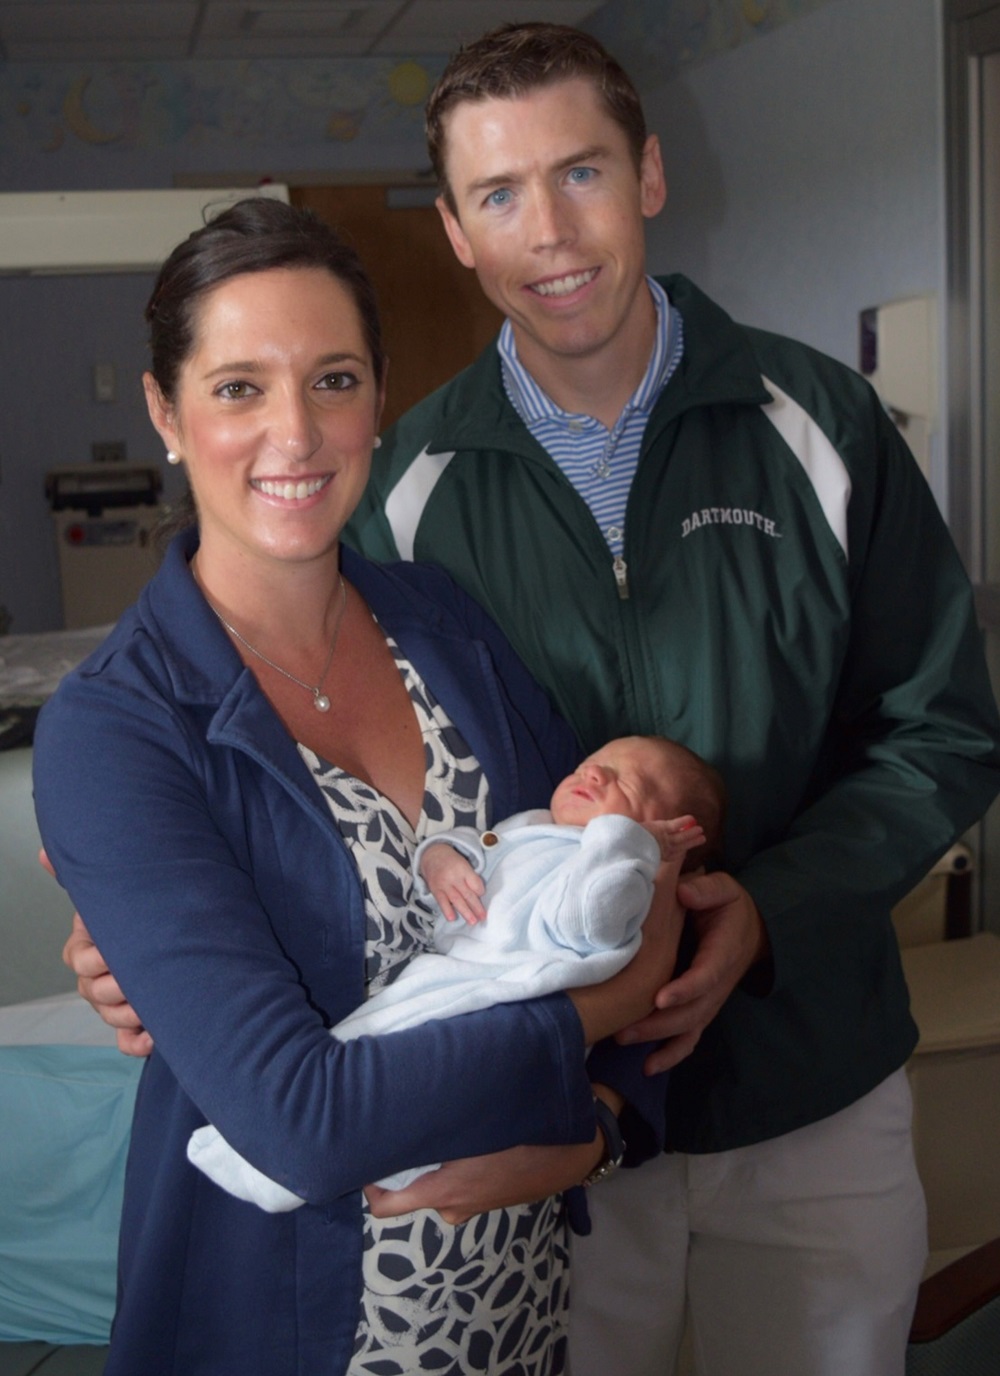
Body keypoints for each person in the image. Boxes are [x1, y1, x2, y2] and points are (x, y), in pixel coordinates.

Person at [61, 22, 1000, 1376]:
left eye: (583, 175)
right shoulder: (402, 492)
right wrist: (153, 933)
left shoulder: (822, 426)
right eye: (500, 194)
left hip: (807, 1083)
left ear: (651, 176)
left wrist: (765, 915)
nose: (550, 232)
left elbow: (947, 727)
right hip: (545, 1162)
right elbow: (292, 774)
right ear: (453, 229)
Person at [33, 196, 687, 1376]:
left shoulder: (442, 621)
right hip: (284, 1328)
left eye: (333, 379)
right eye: (238, 386)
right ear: (163, 411)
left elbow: (602, 878)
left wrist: (596, 1129)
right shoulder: (117, 728)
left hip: (515, 1310)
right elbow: (296, 1115)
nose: (296, 432)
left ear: (379, 397)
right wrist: (593, 1015)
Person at [186, 734, 723, 1210]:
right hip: (451, 968)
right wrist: (441, 859)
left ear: (671, 832)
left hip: (506, 993)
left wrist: (632, 848)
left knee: (397, 1074)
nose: (596, 773)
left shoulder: (619, 875)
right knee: (363, 1044)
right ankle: (258, 1144)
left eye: (629, 782)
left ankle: (271, 1161)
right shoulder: (534, 827)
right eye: (594, 762)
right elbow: (475, 849)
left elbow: (588, 920)